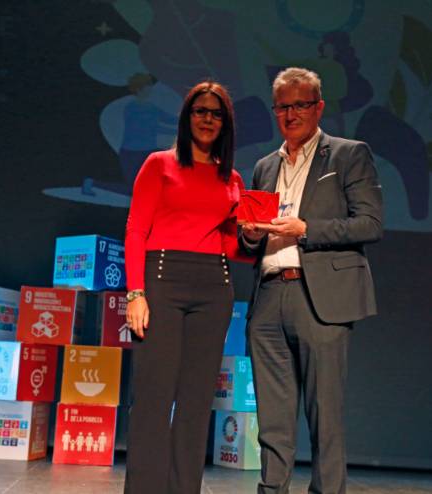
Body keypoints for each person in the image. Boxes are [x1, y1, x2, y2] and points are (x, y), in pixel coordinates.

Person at [240, 67, 383, 494]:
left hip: (319, 296)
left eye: (300, 105)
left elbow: (370, 223)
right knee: (272, 416)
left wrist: (307, 229)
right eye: (283, 107)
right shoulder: (265, 166)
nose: (291, 114)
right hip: (268, 296)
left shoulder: (347, 154)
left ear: (318, 107)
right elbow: (252, 237)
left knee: (325, 413)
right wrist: (250, 236)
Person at [124, 80, 246, 494]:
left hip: (215, 286)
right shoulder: (159, 164)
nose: (207, 119)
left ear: (225, 122)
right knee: (153, 398)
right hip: (162, 280)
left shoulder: (232, 178)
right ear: (187, 116)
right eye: (200, 111)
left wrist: (255, 236)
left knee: (195, 402)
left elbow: (231, 246)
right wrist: (135, 294)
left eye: (216, 113)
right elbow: (136, 229)